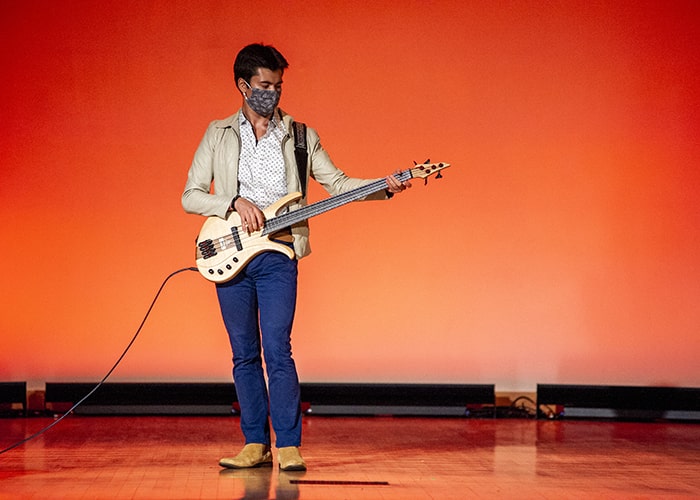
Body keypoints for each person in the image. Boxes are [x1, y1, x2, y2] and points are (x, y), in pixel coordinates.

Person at [181, 43, 410, 472]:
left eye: (278, 85)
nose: (272, 93)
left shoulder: (300, 135)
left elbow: (338, 183)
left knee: (278, 350)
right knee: (244, 354)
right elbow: (191, 196)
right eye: (264, 85)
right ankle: (254, 443)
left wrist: (386, 185)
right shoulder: (219, 133)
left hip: (279, 253)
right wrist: (232, 203)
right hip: (232, 252)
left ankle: (287, 444)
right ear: (243, 86)